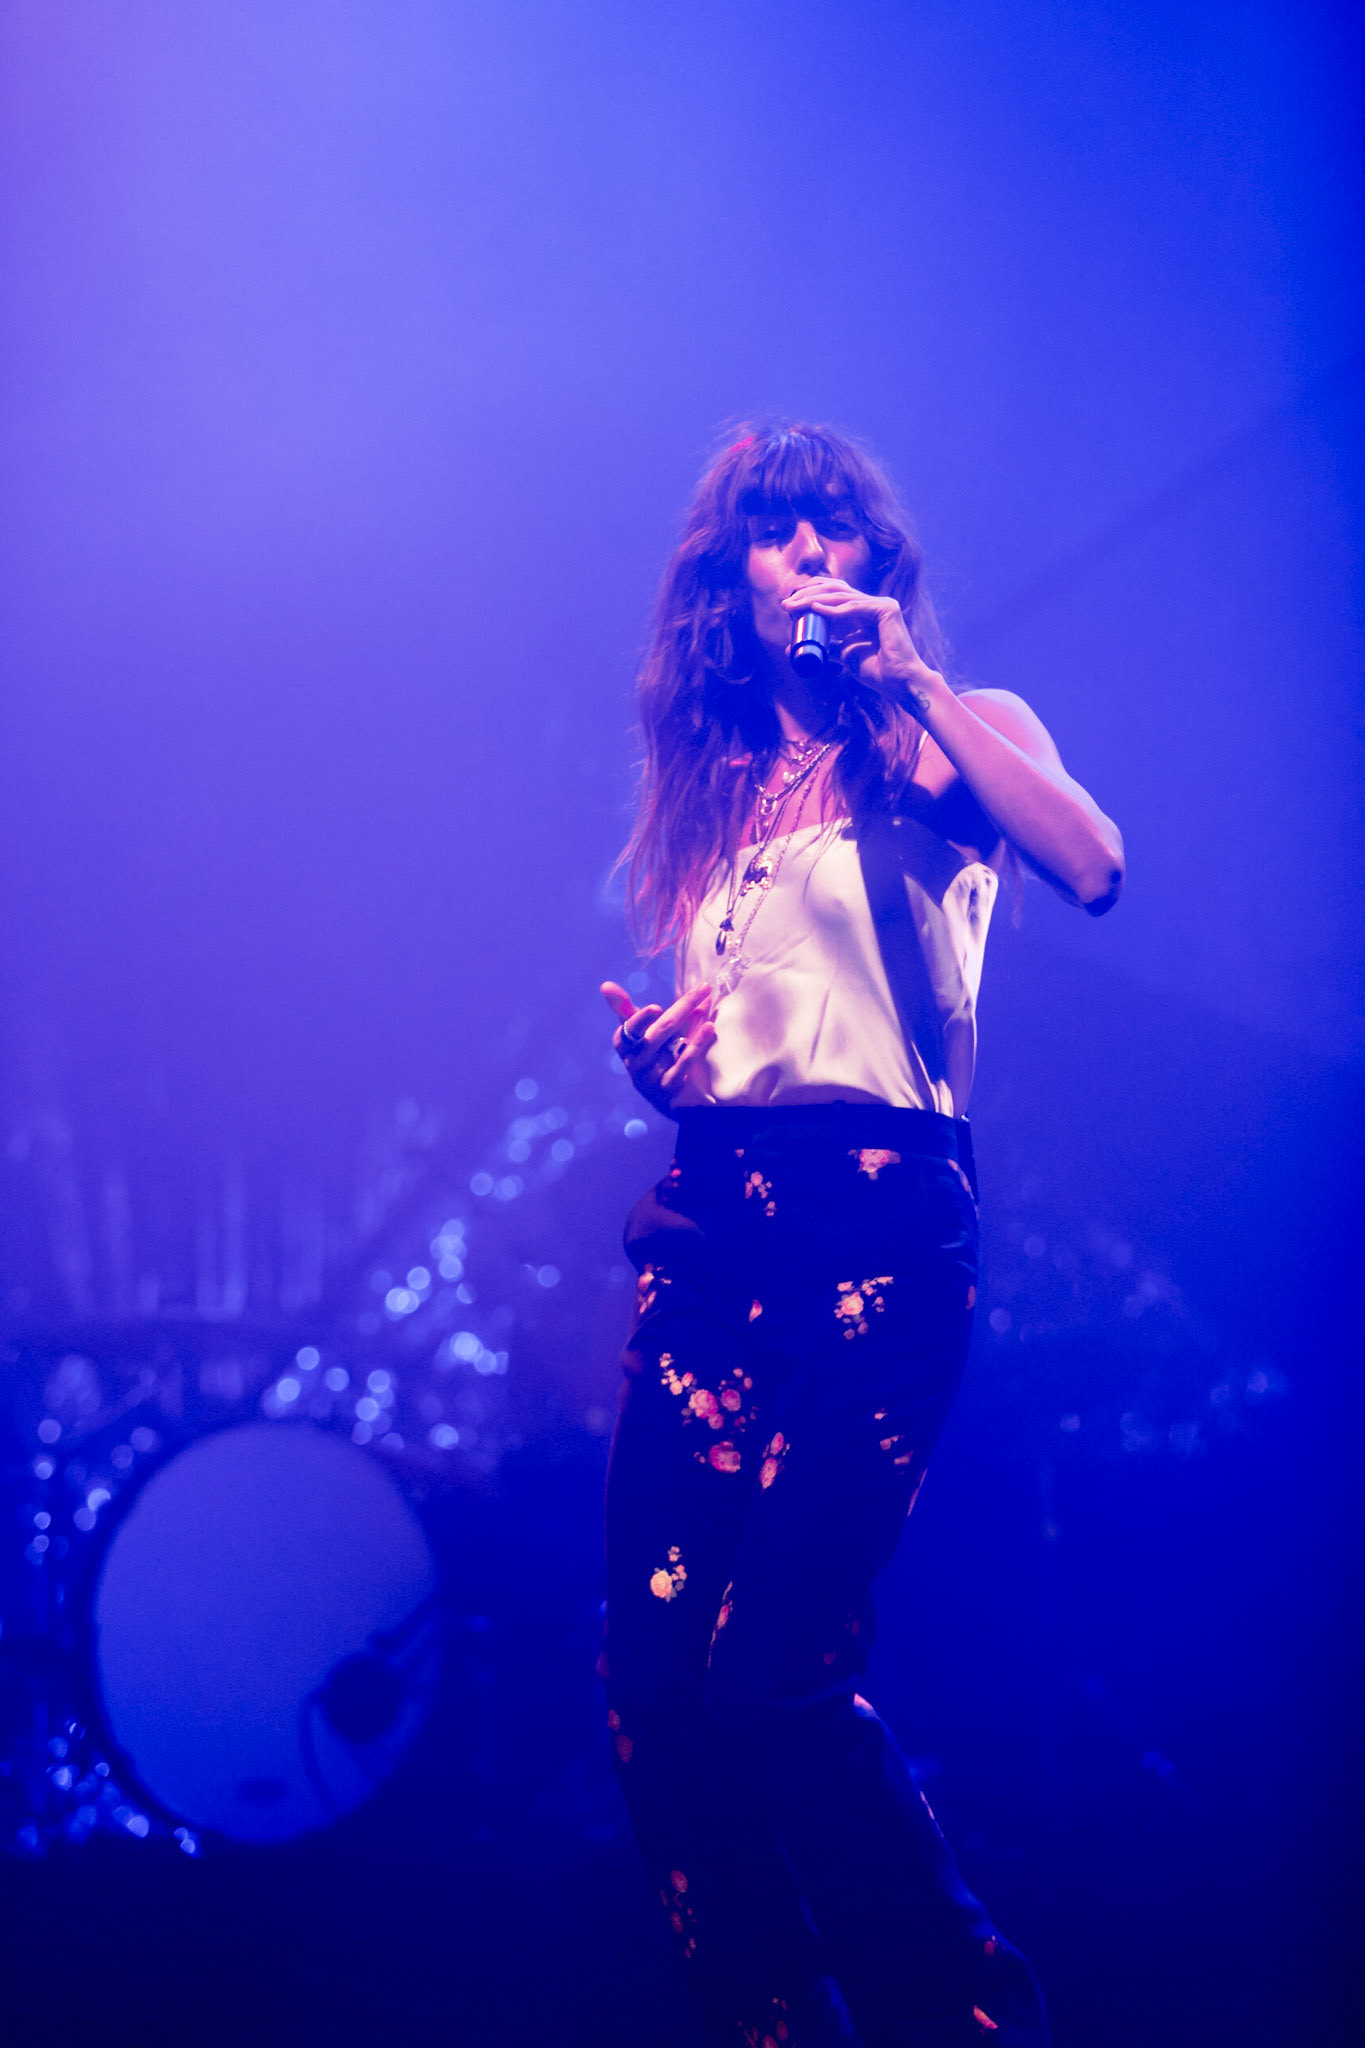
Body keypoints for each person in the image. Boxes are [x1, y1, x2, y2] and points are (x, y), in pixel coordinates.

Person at [598, 421, 1123, 2048]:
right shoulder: (722, 798)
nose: (815, 556)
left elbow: (1093, 865)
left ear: (877, 569)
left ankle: (973, 2017)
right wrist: (663, 1065)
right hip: (714, 1226)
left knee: (775, 1674)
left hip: (874, 1234)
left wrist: (911, 685)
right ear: (730, 584)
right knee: (656, 1696)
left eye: (841, 533)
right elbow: (762, 1022)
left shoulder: (944, 737)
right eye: (780, 535)